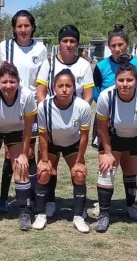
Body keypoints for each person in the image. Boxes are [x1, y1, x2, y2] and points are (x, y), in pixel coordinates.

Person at [90, 24, 137, 220]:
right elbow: (95, 90)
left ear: (127, 44)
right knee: (107, 162)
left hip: (134, 120)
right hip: (107, 119)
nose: (117, 49)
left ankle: (131, 204)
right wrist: (109, 105)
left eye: (121, 44)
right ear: (109, 46)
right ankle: (103, 205)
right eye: (113, 45)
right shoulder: (100, 66)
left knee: (130, 164)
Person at [95, 62, 137, 235]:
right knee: (106, 170)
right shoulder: (105, 97)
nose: (125, 84)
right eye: (121, 80)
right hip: (113, 135)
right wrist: (107, 152)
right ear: (115, 81)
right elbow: (101, 128)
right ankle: (103, 214)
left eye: (129, 80)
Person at [36, 25, 94, 217]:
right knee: (47, 170)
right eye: (65, 41)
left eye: (72, 41)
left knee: (78, 171)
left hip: (74, 127)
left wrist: (75, 115)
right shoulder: (49, 64)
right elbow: (41, 93)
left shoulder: (84, 65)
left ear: (77, 44)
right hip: (52, 125)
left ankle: (80, 209)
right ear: (59, 43)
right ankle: (49, 202)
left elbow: (88, 95)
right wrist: (52, 114)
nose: (68, 44)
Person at [0, 10, 47, 213]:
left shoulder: (40, 49)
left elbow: (41, 82)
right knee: (9, 155)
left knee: (28, 153)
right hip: (7, 106)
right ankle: (2, 198)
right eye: (19, 26)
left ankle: (29, 197)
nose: (23, 29)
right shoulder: (4, 46)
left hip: (29, 109)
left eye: (27, 25)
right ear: (14, 28)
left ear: (33, 27)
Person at [0, 63, 37, 230]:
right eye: (4, 82)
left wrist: (24, 153)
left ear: (18, 81)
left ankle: (24, 211)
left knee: (21, 166)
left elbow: (28, 129)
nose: (8, 86)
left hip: (16, 131)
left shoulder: (26, 95)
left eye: (12, 82)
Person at [34, 69, 91, 232]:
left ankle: (79, 215)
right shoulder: (44, 106)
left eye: (68, 85)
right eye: (60, 86)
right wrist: (44, 160)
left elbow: (85, 136)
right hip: (51, 142)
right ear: (54, 87)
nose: (64, 89)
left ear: (74, 87)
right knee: (44, 173)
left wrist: (80, 161)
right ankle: (41, 213)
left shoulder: (82, 106)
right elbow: (43, 135)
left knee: (79, 174)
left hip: (73, 144)